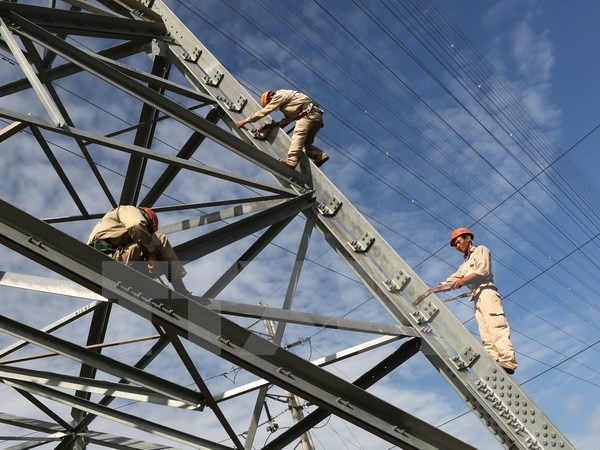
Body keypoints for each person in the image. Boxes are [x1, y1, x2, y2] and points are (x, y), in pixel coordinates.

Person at [413, 227, 518, 374]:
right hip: (477, 297)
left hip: (487, 293)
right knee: (485, 332)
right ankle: (494, 359)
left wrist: (464, 280)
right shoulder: (464, 266)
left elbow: (484, 271)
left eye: (458, 242)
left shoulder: (480, 250)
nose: (457, 246)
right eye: (455, 244)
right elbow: (452, 281)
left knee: (495, 326)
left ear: (468, 238)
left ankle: (507, 361)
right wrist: (434, 289)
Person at [87, 205, 190, 296]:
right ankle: (181, 291)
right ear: (145, 216)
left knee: (147, 244)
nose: (148, 232)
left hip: (105, 259)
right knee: (159, 239)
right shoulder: (128, 209)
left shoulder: (112, 224)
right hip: (109, 258)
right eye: (148, 229)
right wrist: (152, 257)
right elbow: (136, 225)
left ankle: (149, 280)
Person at [235, 89, 329, 170]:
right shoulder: (290, 102)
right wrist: (269, 127)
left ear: (269, 98)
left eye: (269, 103)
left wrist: (244, 121)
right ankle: (319, 155)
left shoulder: (279, 95)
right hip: (316, 118)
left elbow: (265, 111)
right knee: (303, 144)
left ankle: (292, 161)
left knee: (297, 135)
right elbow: (285, 121)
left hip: (309, 115)